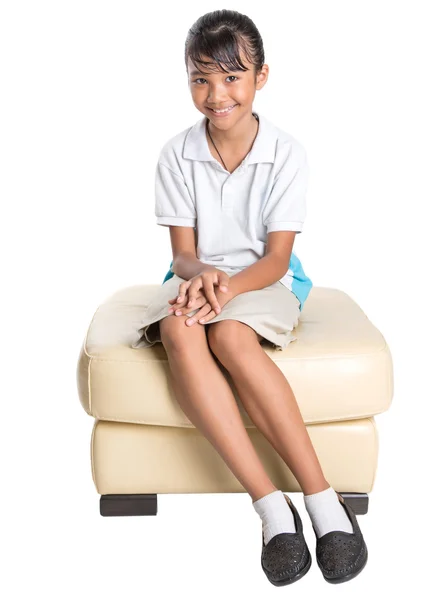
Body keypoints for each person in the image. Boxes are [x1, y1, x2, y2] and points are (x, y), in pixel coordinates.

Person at [131, 9, 367, 586]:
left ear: (261, 77)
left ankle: (322, 501)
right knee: (178, 328)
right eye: (201, 78)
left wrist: (227, 289)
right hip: (198, 274)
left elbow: (276, 259)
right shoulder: (175, 154)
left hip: (264, 279)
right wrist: (201, 277)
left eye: (232, 77)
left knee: (230, 334)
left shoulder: (286, 153)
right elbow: (181, 254)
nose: (216, 94)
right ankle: (269, 507)